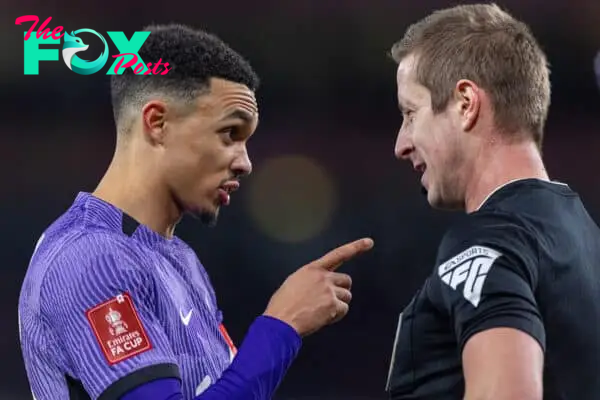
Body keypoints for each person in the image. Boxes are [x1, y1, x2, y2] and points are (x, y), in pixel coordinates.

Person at [18, 24, 373, 400]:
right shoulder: (89, 259)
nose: (246, 163)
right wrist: (282, 325)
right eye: (230, 134)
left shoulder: (178, 259)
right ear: (157, 123)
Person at [385, 4, 600, 400]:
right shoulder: (587, 240)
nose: (401, 144)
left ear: (466, 103)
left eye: (410, 113)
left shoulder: (487, 239)